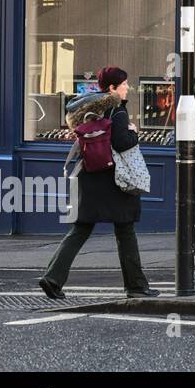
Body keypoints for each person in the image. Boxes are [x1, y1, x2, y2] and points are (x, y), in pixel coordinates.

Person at [39, 67, 158, 299]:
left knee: (80, 229)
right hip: (115, 179)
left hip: (90, 176)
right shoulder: (118, 111)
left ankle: (52, 278)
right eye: (123, 84)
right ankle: (135, 286)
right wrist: (134, 132)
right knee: (125, 230)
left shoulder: (90, 108)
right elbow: (123, 143)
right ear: (112, 88)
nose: (127, 88)